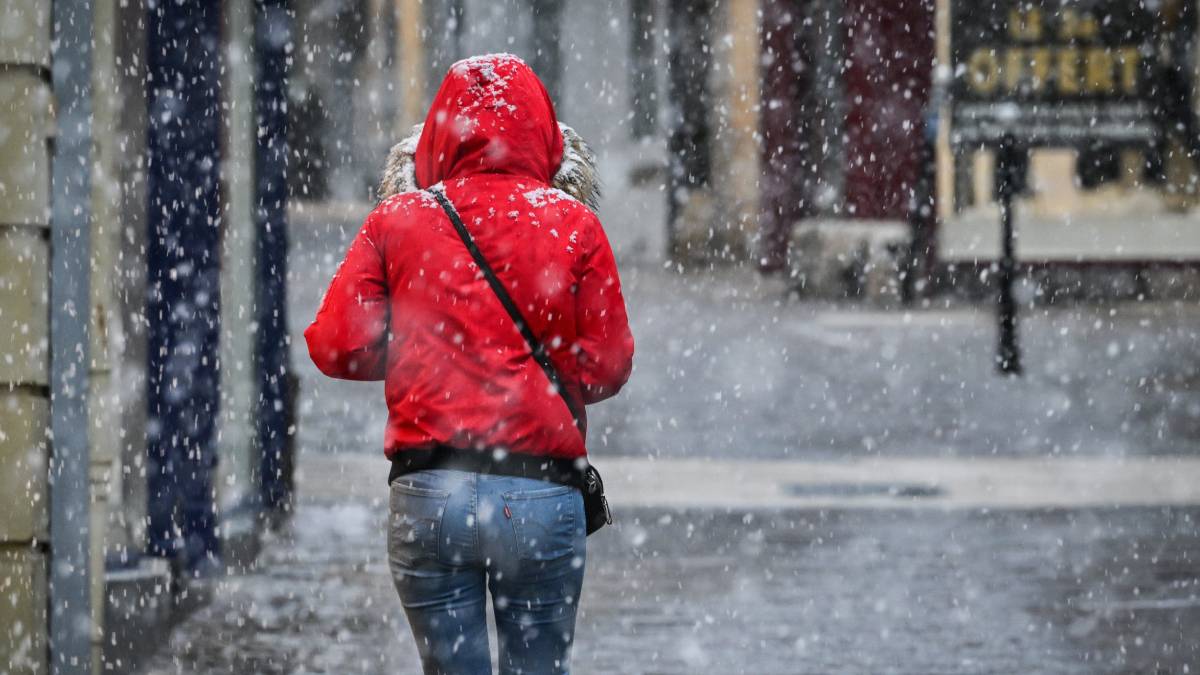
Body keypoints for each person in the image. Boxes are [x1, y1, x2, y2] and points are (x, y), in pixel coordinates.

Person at [304, 53, 634, 675]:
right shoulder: (575, 226)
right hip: (541, 491)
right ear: (546, 136)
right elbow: (610, 363)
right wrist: (545, 371)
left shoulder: (396, 221)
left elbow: (335, 344)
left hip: (430, 490)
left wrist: (422, 354)